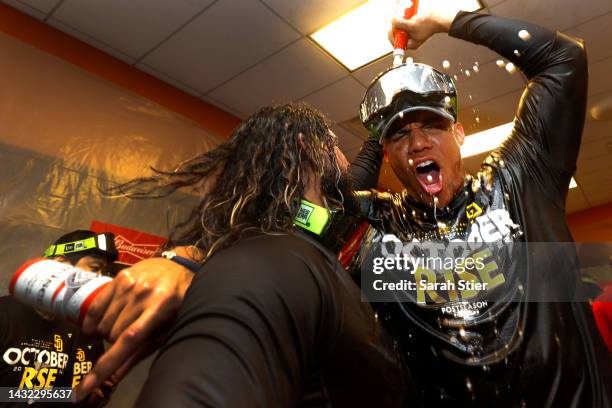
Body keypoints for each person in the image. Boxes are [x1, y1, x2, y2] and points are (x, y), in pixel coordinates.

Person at [349, 7, 611, 408]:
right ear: (388, 157)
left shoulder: (520, 182)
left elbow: (564, 60)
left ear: (459, 134)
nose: (418, 143)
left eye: (432, 125)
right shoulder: (383, 230)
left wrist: (446, 22)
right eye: (401, 136)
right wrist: (378, 132)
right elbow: (328, 213)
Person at [88, 103, 407, 407]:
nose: (344, 159)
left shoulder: (309, 238)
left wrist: (379, 133)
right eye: (335, 144)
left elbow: (355, 183)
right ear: (310, 148)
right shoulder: (265, 266)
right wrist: (179, 262)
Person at [0, 230, 119, 407]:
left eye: (103, 271)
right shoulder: (4, 314)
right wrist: (69, 395)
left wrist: (96, 393)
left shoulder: (85, 329)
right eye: (95, 268)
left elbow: (86, 398)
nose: (100, 278)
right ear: (60, 263)